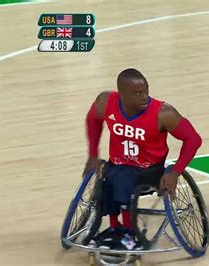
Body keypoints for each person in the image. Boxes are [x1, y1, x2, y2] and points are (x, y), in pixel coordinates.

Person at [84, 68, 202, 250]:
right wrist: (93, 155)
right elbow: (92, 119)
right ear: (122, 95)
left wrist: (175, 172)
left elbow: (193, 139)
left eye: (146, 90)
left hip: (149, 170)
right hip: (118, 163)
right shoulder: (106, 102)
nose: (144, 96)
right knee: (103, 183)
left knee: (121, 180)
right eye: (138, 93)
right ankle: (115, 228)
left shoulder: (163, 113)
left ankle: (130, 232)